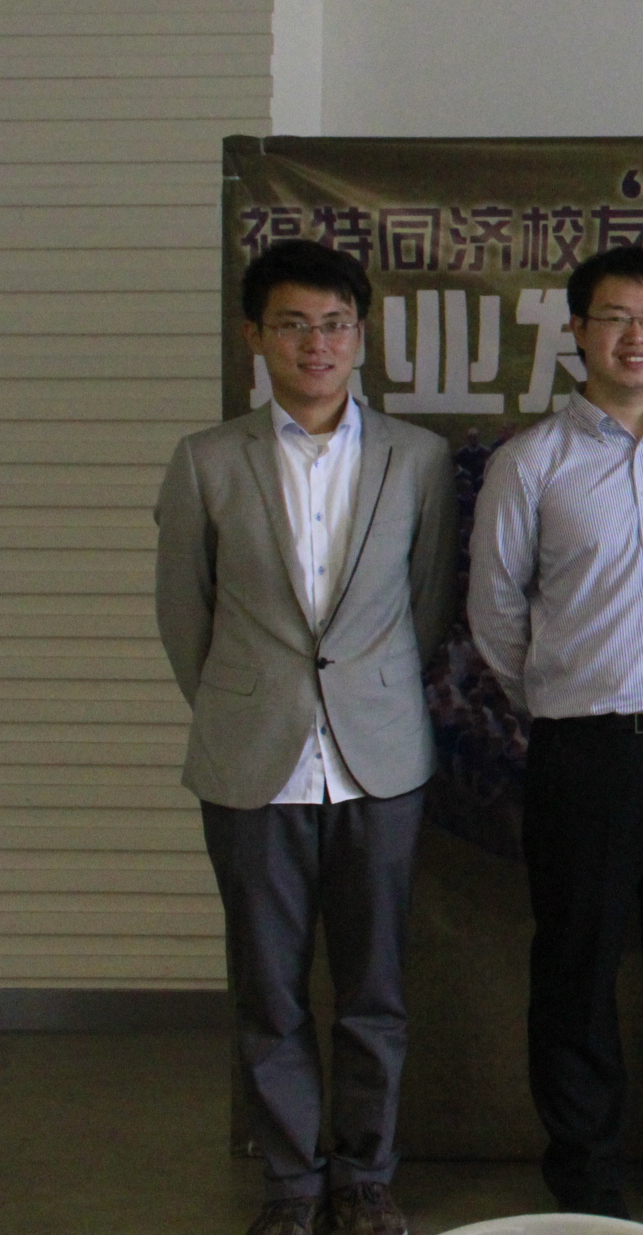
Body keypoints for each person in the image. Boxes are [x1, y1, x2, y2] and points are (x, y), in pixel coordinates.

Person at [156, 239, 458, 1235]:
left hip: (380, 757)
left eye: (334, 325)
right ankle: (290, 1183)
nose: (315, 345)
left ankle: (366, 1175)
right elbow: (184, 616)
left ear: (360, 336)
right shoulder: (208, 460)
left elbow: (426, 607)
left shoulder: (415, 458)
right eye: (292, 325)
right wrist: (249, 702)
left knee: (375, 987)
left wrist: (367, 695)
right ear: (256, 336)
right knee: (268, 987)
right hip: (253, 757)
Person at [467, 245, 643, 1225]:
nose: (638, 337)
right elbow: (496, 614)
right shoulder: (530, 462)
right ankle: (584, 1169)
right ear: (578, 331)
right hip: (585, 748)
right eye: (617, 318)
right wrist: (563, 695)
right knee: (577, 964)